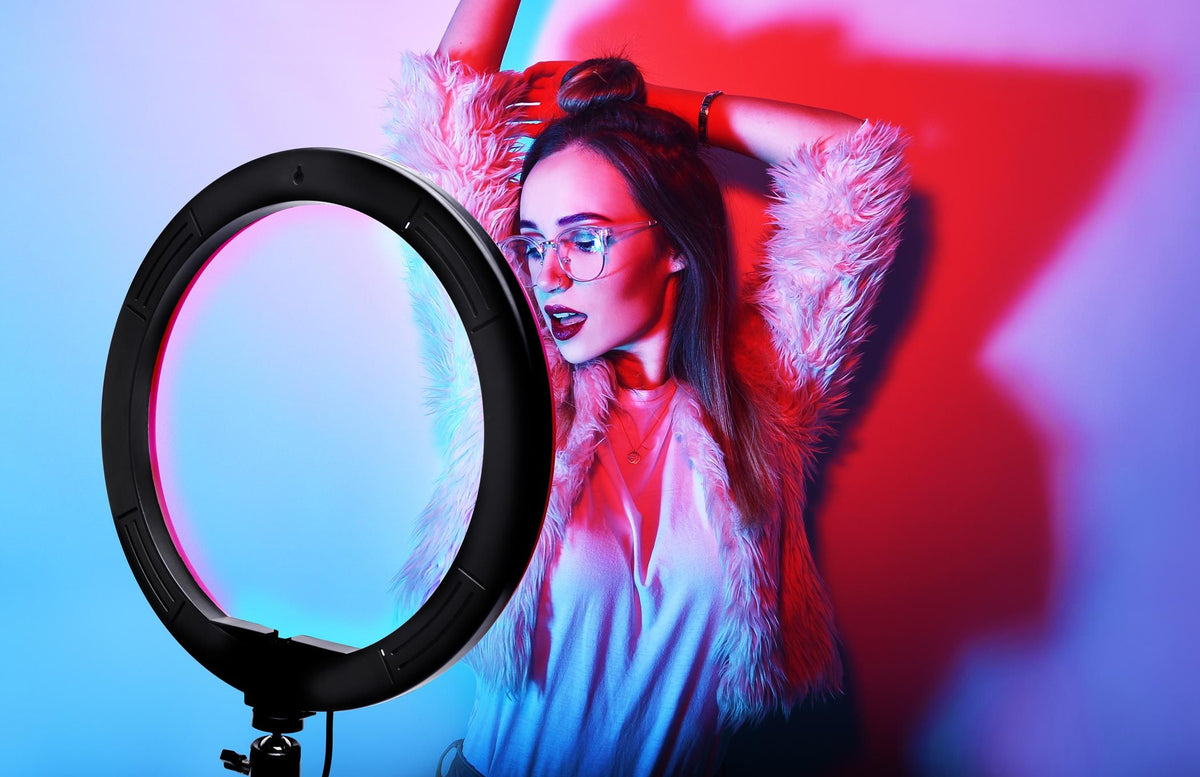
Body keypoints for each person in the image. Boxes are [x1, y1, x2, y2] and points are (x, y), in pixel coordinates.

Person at [385, 1, 910, 774]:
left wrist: (656, 116)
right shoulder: (518, 394)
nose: (550, 274)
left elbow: (856, 167)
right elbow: (441, 121)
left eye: (585, 238)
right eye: (534, 245)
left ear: (673, 244)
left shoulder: (766, 408)